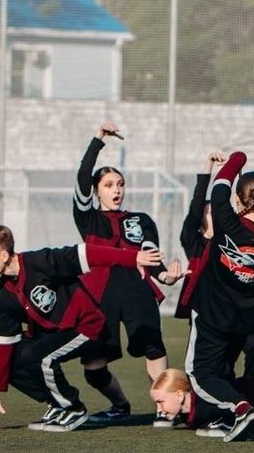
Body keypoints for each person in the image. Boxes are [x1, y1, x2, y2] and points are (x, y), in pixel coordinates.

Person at [0, 224, 162, 432]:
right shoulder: (3, 291)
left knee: (38, 356)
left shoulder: (40, 261)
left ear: (4, 255)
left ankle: (73, 408)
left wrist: (134, 258)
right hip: (54, 335)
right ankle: (56, 403)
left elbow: (87, 253)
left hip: (87, 327)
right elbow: (7, 342)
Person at [73, 121, 182, 427]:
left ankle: (165, 409)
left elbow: (151, 257)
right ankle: (120, 405)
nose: (116, 190)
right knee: (93, 366)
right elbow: (82, 176)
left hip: (137, 290)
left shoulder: (140, 219)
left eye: (120, 184)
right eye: (109, 185)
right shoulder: (88, 219)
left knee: (153, 347)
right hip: (98, 295)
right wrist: (98, 139)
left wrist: (166, 278)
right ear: (96, 191)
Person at [186, 150, 254, 442]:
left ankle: (241, 408)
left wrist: (238, 158)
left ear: (238, 200)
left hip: (213, 315)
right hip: (246, 320)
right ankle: (224, 418)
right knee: (223, 370)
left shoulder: (226, 220)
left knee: (200, 374)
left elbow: (221, 182)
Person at [176, 150, 254, 399]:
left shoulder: (235, 230)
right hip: (215, 311)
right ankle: (226, 402)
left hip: (237, 313)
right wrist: (207, 169)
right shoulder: (196, 242)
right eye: (206, 212)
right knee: (218, 366)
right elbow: (197, 206)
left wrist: (236, 166)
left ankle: (245, 398)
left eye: (213, 209)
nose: (211, 212)